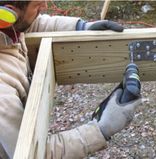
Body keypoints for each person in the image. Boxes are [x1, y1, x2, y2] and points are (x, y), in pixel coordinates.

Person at [0, 1, 142, 159]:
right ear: (7, 13)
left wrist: (80, 27)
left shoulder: (8, 27)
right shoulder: (2, 96)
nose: (45, 6)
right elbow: (32, 155)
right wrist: (100, 129)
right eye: (37, 5)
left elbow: (32, 24)